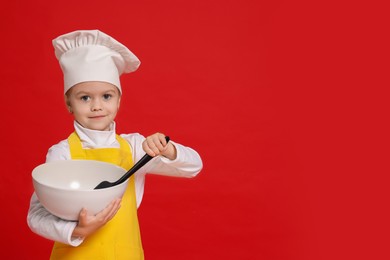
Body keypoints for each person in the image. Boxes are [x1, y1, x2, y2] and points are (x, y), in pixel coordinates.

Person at [27, 29, 203, 260]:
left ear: (119, 100)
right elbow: (36, 215)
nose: (97, 106)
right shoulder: (63, 153)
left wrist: (167, 149)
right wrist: (76, 230)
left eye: (107, 96)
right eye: (84, 98)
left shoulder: (136, 148)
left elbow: (194, 166)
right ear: (69, 103)